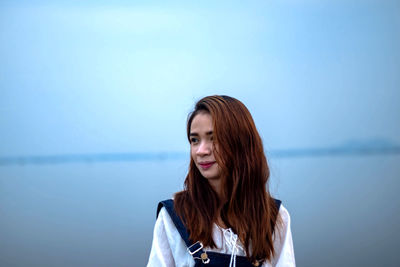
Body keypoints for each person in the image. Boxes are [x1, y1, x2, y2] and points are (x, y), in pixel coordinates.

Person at [147, 95, 295, 267]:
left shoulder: (275, 217)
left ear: (241, 143)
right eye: (194, 140)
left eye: (214, 138)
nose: (201, 151)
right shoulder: (174, 216)